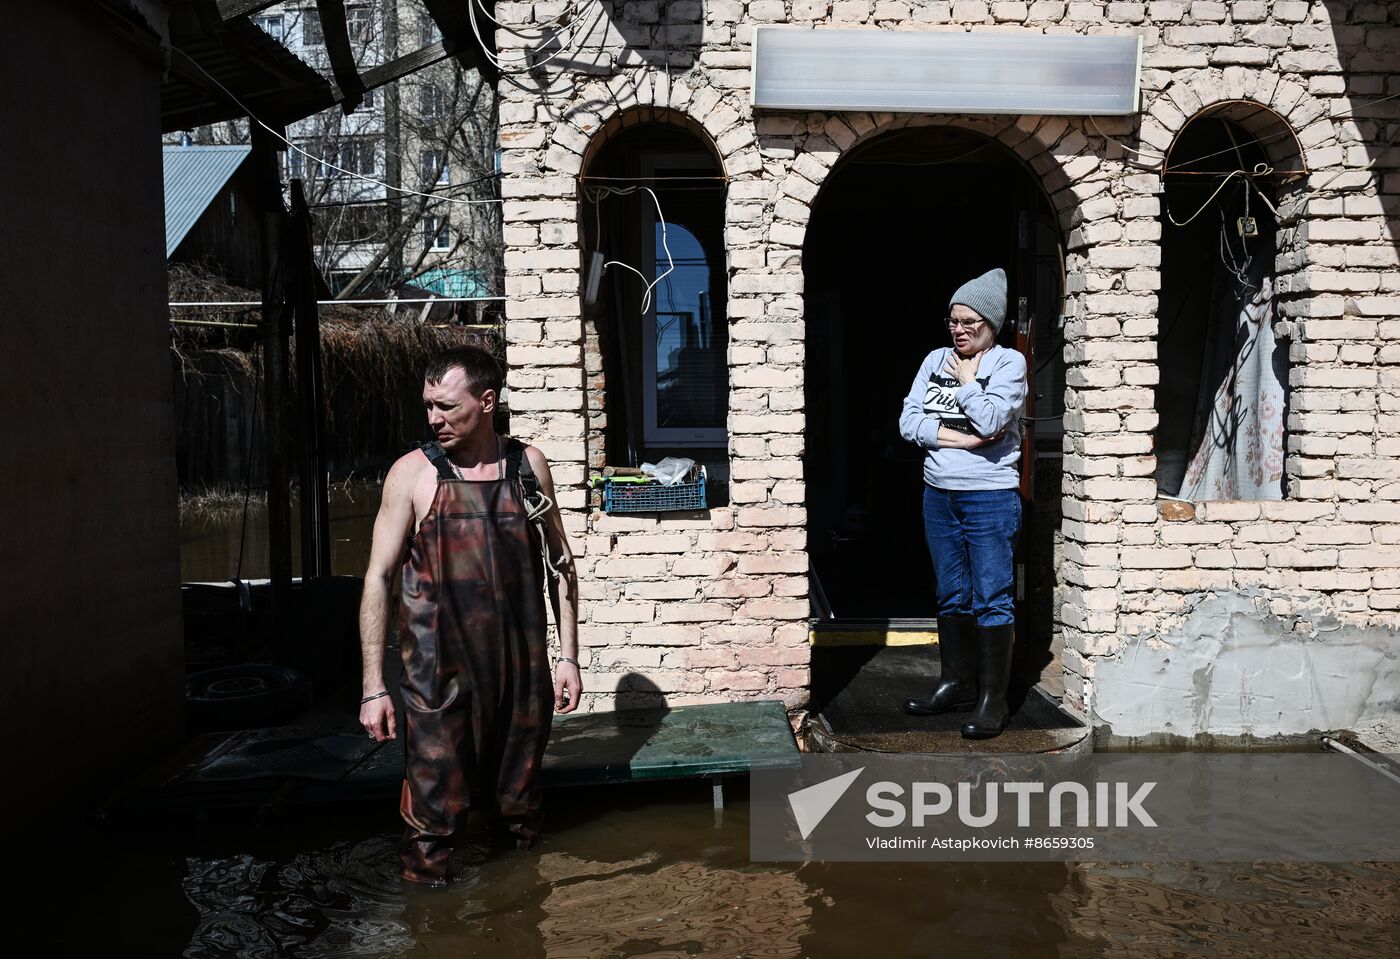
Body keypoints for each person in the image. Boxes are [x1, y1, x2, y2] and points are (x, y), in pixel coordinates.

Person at [358, 345, 582, 885]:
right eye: (428, 406)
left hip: (520, 674)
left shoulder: (527, 468)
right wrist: (373, 686)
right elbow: (377, 579)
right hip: (437, 680)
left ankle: (522, 916)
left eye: (446, 407)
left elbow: (562, 566)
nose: (433, 419)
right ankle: (432, 924)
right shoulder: (411, 475)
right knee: (430, 824)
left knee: (521, 812)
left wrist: (569, 658)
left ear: (487, 402)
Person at [898, 268, 1027, 740]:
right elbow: (909, 421)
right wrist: (962, 441)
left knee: (991, 595)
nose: (959, 330)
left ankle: (994, 699)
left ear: (991, 324)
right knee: (951, 592)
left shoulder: (1008, 364)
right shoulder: (934, 359)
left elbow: (993, 417)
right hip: (939, 493)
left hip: (989, 497)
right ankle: (955, 682)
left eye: (970, 323)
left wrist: (971, 383)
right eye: (953, 321)